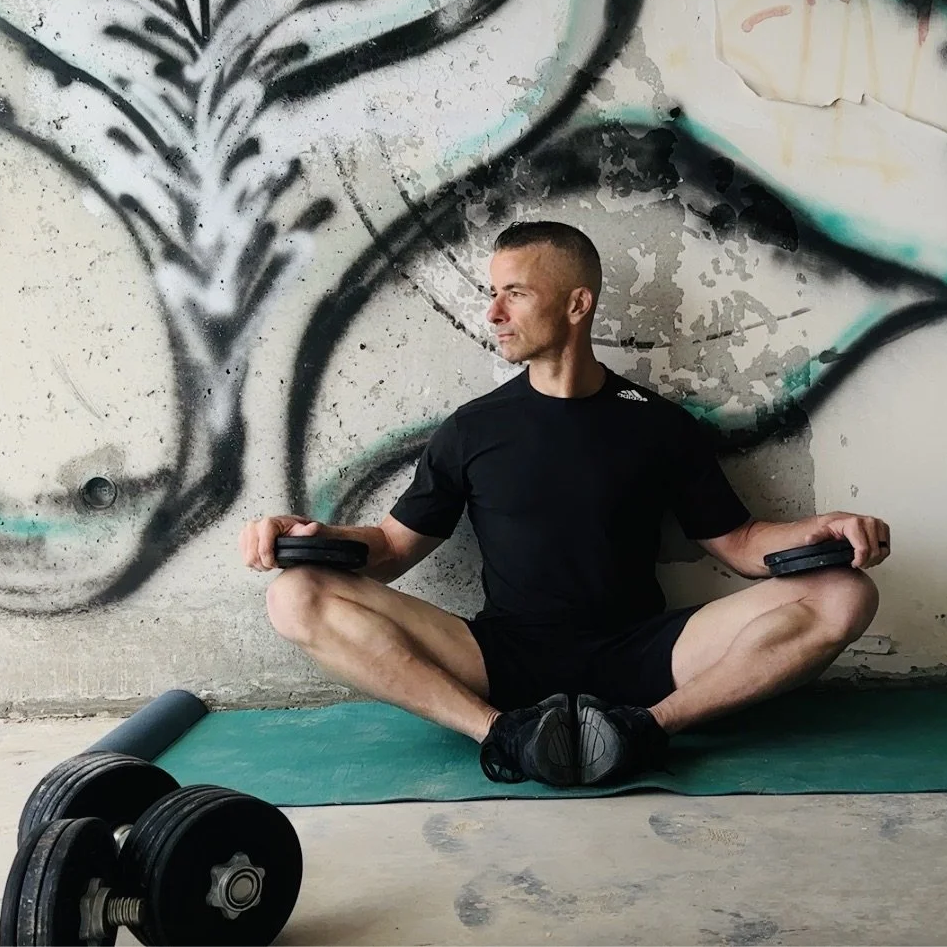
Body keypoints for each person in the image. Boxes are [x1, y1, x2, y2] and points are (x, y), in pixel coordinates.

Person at [239, 221, 888, 787]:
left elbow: (740, 544)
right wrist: (314, 536)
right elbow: (389, 550)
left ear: (577, 304)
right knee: (294, 595)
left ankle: (641, 732)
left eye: (514, 293)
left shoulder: (657, 423)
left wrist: (821, 528)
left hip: (643, 656)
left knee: (844, 593)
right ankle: (504, 736)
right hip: (502, 660)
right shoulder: (472, 429)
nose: (492, 313)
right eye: (490, 294)